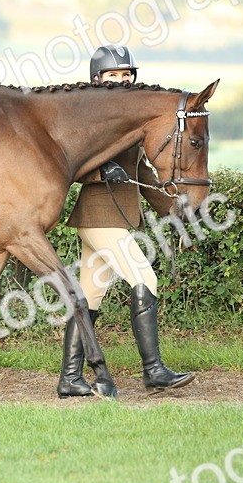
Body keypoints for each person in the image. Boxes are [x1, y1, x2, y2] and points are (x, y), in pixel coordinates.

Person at [58, 44, 194, 397]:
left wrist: (174, 209)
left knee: (90, 294)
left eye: (126, 74)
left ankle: (70, 379)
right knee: (143, 276)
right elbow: (69, 162)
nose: (121, 80)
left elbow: (143, 173)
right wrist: (101, 170)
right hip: (100, 215)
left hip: (108, 219)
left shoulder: (131, 117)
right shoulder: (88, 117)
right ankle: (154, 370)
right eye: (113, 75)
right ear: (96, 79)